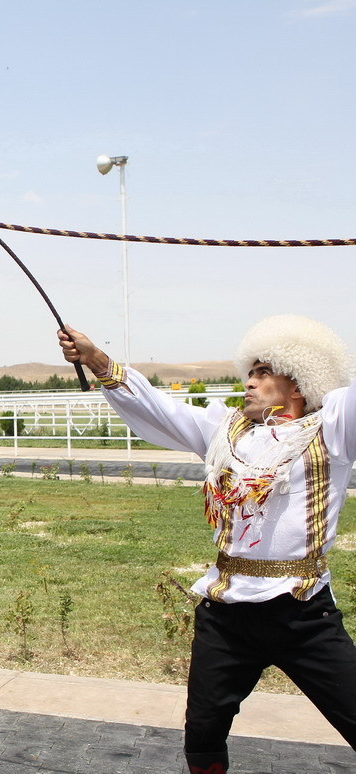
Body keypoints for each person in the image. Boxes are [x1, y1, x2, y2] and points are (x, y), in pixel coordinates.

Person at [59, 315, 356, 774]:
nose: (250, 383)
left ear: (298, 384)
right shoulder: (225, 430)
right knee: (202, 730)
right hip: (225, 615)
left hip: (302, 612)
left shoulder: (332, 429)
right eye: (250, 373)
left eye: (262, 373)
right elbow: (160, 409)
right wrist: (97, 359)